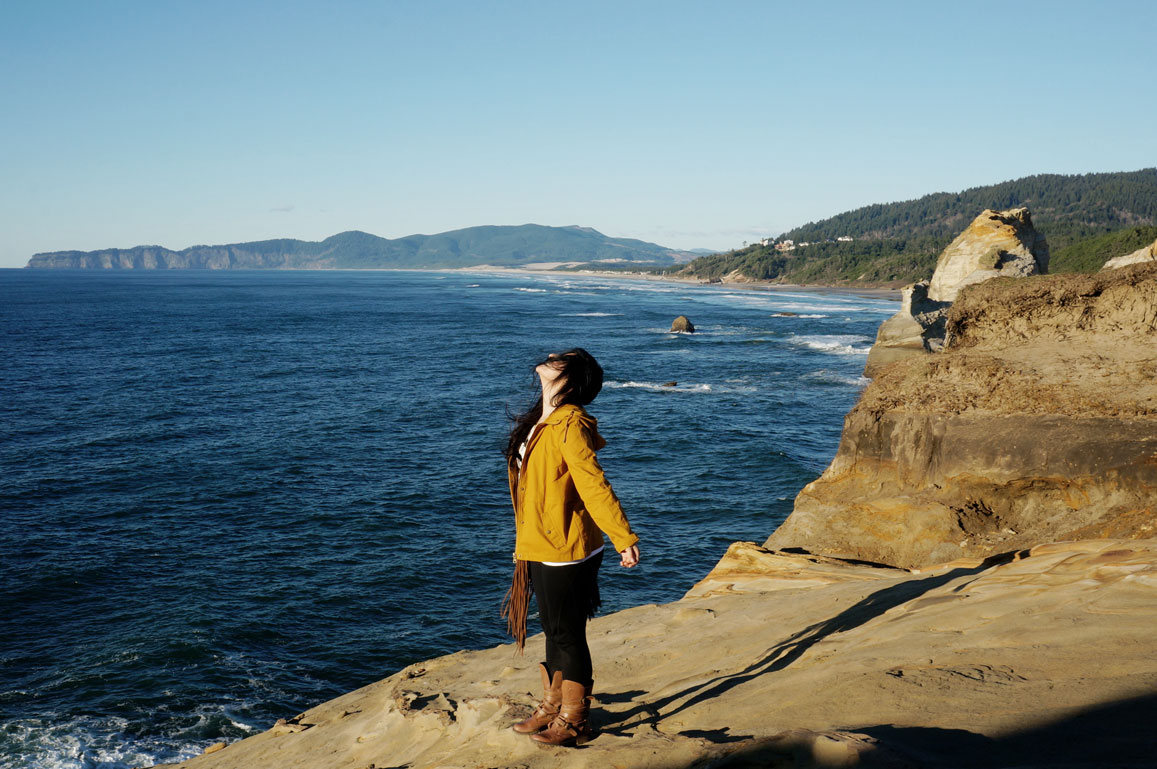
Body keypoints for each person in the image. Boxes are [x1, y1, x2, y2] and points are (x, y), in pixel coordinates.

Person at [501, 348, 640, 747]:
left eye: (560, 357)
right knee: (554, 628)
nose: (549, 355)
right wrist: (523, 542)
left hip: (568, 546)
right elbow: (534, 493)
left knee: (567, 633)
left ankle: (576, 719)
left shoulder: (570, 423)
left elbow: (593, 483)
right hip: (541, 542)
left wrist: (623, 537)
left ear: (571, 378)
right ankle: (553, 704)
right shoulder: (541, 420)